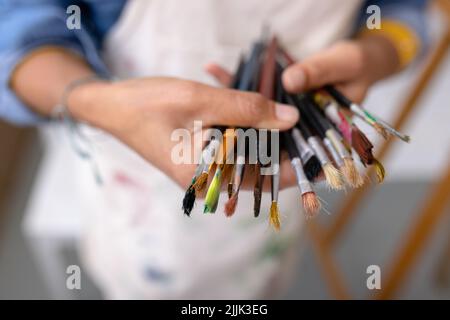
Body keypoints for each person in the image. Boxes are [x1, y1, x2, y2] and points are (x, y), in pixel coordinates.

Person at [0, 0, 428, 299]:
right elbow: (17, 33)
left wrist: (377, 52)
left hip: (280, 183)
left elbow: (402, 11)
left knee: (262, 278)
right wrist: (95, 102)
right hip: (144, 204)